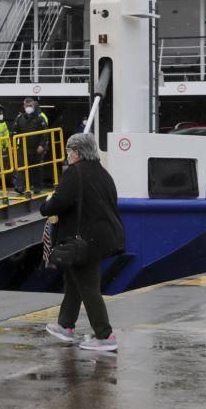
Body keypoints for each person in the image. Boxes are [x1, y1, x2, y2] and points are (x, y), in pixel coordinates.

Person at [40, 133, 124, 352]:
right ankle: (65, 326)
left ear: (77, 153)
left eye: (69, 151)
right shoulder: (104, 174)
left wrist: (46, 204)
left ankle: (105, 335)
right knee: (75, 281)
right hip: (102, 238)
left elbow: (58, 202)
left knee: (88, 287)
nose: (67, 155)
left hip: (84, 241)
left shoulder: (75, 173)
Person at [13, 97, 49, 195]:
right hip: (23, 148)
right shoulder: (19, 118)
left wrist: (42, 145)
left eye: (30, 105)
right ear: (23, 106)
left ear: (34, 106)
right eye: (27, 105)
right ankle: (20, 187)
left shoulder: (39, 118)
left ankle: (37, 187)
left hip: (36, 147)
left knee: (36, 168)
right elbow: (14, 131)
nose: (28, 107)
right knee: (21, 168)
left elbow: (45, 133)